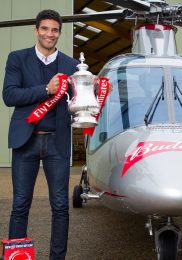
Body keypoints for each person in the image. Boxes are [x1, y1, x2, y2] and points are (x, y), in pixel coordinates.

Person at [2, 9, 79, 260]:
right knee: (21, 204)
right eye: (45, 28)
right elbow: (10, 96)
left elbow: (78, 101)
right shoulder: (17, 58)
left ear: (59, 33)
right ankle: (16, 256)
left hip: (57, 143)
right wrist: (47, 89)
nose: (49, 34)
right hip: (26, 140)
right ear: (36, 30)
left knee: (60, 206)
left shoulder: (72, 65)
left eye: (54, 30)